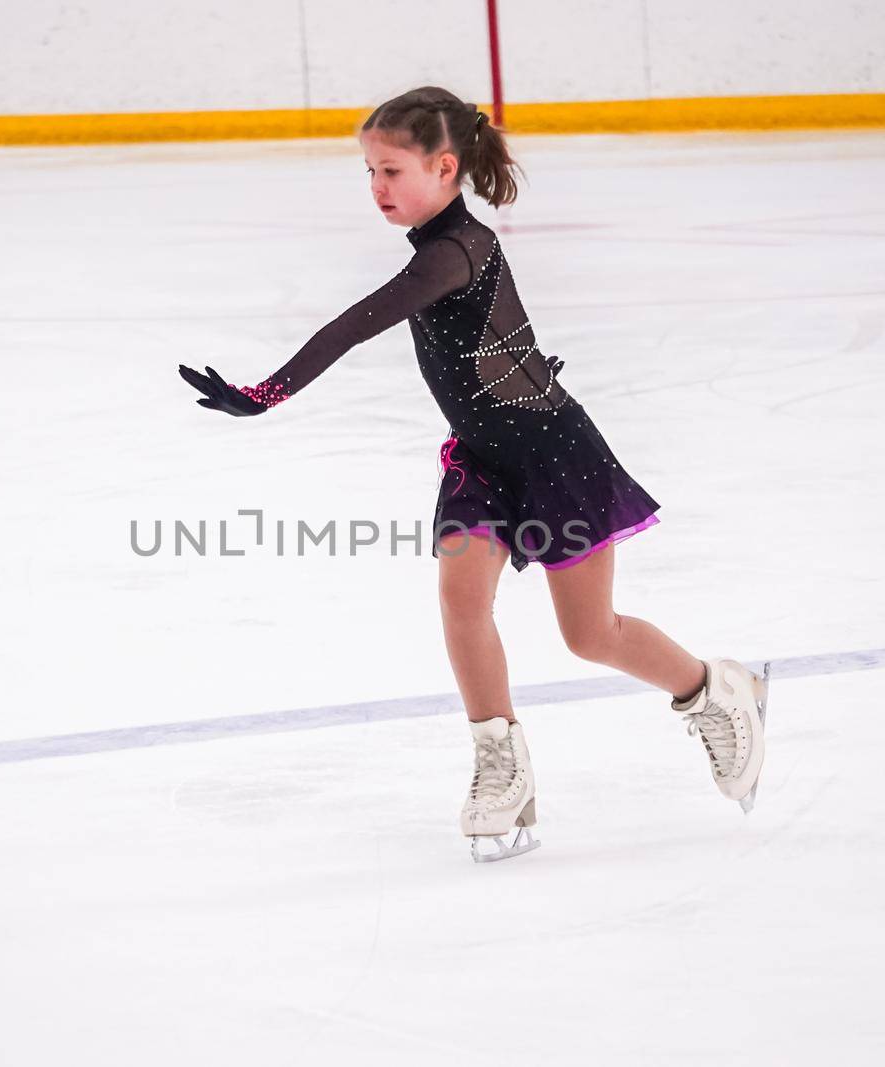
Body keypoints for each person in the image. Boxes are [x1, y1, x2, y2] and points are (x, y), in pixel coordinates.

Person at [179, 86, 769, 862]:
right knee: (462, 600)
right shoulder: (437, 246)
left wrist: (267, 392)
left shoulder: (458, 252)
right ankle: (502, 765)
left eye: (391, 170)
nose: (377, 188)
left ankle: (714, 690)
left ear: (445, 166)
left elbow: (360, 321)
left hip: (554, 454)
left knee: (591, 635)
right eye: (368, 172)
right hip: (482, 459)